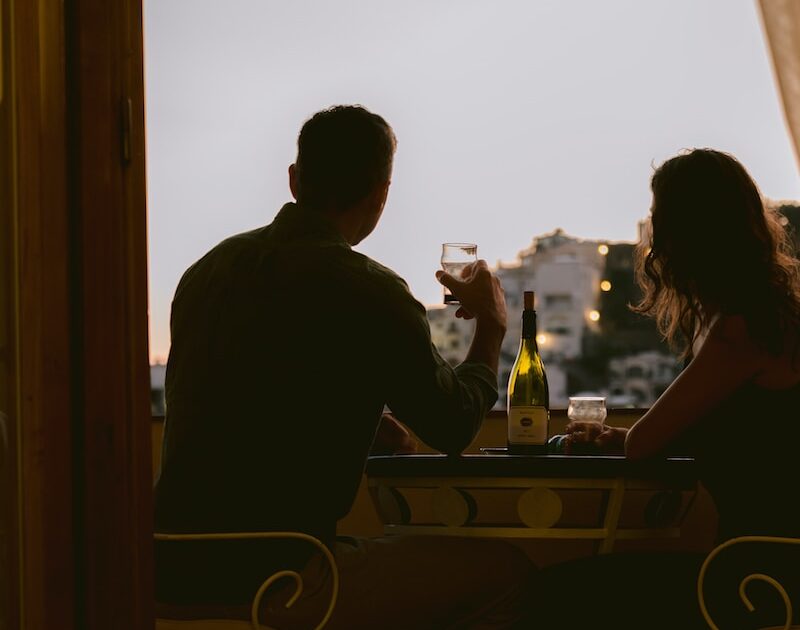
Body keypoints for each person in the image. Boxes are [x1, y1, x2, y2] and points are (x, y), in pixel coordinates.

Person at [154, 105, 535, 629]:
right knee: (508, 573)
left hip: (167, 568)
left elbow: (252, 394)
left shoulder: (207, 272)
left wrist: (364, 422)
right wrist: (491, 325)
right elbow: (452, 426)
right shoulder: (371, 290)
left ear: (294, 179)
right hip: (283, 574)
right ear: (381, 195)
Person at [536, 149, 800, 629]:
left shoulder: (740, 329)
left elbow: (643, 445)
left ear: (685, 234)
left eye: (658, 217)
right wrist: (622, 438)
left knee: (551, 595)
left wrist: (628, 439)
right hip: (763, 567)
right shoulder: (758, 315)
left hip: (759, 575)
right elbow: (732, 437)